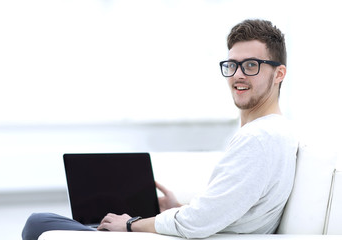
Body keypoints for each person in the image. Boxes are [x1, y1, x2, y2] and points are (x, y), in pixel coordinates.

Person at [22, 19, 298, 240]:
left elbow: (200, 222)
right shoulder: (271, 133)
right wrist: (177, 210)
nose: (238, 74)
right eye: (232, 65)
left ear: (279, 73)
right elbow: (224, 213)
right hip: (192, 231)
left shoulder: (260, 138)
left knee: (39, 223)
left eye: (251, 65)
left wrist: (131, 225)